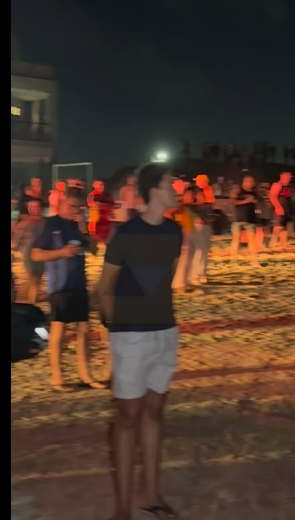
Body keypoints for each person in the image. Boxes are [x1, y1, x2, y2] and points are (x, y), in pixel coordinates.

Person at [97, 163, 182, 520]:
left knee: (154, 412)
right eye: (170, 184)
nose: (176, 189)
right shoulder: (126, 234)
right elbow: (104, 287)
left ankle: (151, 494)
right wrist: (115, 327)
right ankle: (122, 507)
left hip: (164, 330)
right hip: (130, 334)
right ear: (154, 190)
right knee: (128, 416)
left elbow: (165, 280)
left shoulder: (175, 232)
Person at [31, 189, 104, 392]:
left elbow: (94, 249)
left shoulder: (77, 225)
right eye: (72, 206)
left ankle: (86, 375)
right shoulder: (51, 224)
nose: (75, 210)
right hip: (59, 286)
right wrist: (61, 252)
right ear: (62, 204)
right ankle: (57, 378)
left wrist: (84, 228)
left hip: (79, 283)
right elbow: (36, 254)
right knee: (59, 331)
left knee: (84, 331)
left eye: (79, 208)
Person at [11, 198, 45, 303]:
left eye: (36, 207)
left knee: (36, 278)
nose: (33, 209)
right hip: (28, 254)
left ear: (41, 208)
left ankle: (23, 299)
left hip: (42, 254)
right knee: (33, 278)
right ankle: (28, 300)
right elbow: (15, 239)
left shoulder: (45, 222)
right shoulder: (25, 223)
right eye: (31, 207)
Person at [172, 188, 198, 292]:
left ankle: (184, 282)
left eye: (192, 195)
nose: (191, 197)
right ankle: (179, 285)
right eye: (189, 195)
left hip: (190, 234)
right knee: (183, 260)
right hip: (184, 236)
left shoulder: (190, 208)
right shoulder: (179, 207)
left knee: (188, 260)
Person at [230, 175, 260, 266]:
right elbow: (232, 201)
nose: (251, 184)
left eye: (252, 182)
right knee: (236, 240)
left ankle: (254, 261)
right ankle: (233, 261)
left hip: (250, 220)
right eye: (250, 182)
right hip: (238, 219)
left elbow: (259, 203)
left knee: (252, 241)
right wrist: (245, 201)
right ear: (244, 182)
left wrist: (255, 204)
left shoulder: (255, 192)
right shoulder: (238, 190)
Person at [191, 174, 215, 285]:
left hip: (201, 224)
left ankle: (198, 275)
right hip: (204, 224)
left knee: (200, 250)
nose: (196, 182)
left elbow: (206, 206)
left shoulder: (203, 191)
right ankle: (200, 274)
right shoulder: (208, 191)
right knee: (202, 250)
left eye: (198, 181)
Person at [269, 171, 293, 250]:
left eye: (289, 178)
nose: (289, 179)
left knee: (284, 228)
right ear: (282, 177)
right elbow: (272, 196)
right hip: (280, 208)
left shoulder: (288, 186)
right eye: (287, 177)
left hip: (287, 209)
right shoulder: (277, 185)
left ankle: (283, 245)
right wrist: (278, 207)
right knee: (278, 226)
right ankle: (272, 242)